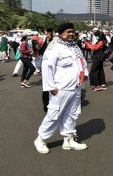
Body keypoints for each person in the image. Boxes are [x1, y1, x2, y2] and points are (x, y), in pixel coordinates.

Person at [33, 22, 88, 154]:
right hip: (61, 88)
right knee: (54, 115)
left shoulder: (74, 46)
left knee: (72, 114)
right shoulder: (54, 47)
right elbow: (47, 68)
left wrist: (84, 74)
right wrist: (51, 88)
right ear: (60, 33)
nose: (71, 34)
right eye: (68, 32)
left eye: (72, 31)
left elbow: (82, 62)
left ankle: (68, 140)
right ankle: (40, 139)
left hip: (75, 87)